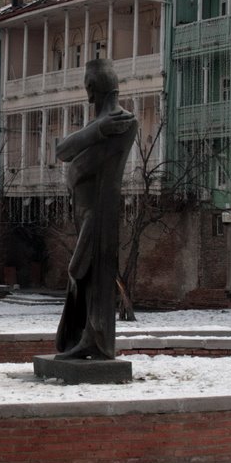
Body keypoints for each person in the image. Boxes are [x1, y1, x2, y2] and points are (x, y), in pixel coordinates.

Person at [54, 59, 138, 360]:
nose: (87, 93)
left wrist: (97, 134)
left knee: (85, 271)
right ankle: (85, 337)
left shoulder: (124, 122)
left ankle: (97, 338)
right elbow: (62, 151)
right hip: (84, 213)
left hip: (99, 213)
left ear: (96, 87)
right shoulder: (99, 125)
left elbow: (80, 160)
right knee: (83, 273)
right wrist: (96, 131)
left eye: (88, 86)